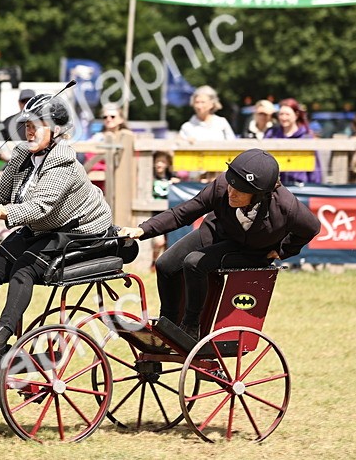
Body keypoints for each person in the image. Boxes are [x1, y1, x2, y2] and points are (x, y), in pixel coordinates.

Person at [0, 93, 116, 357]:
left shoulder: (64, 163)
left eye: (35, 126)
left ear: (55, 130)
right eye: (27, 126)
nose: (29, 132)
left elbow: (37, 208)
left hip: (80, 230)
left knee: (24, 268)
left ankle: (1, 334)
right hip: (45, 227)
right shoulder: (22, 155)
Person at [119, 149, 320, 348]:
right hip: (217, 233)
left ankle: (190, 328)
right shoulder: (221, 186)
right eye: (231, 185)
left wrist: (283, 250)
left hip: (251, 251)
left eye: (239, 190)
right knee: (165, 264)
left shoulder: (287, 207)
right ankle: (168, 325)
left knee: (194, 263)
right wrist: (142, 230)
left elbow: (312, 228)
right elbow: (182, 213)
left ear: (260, 195)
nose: (230, 192)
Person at [263, 97, 322, 184]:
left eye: (287, 114)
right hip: (275, 186)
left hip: (300, 185)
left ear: (296, 115)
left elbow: (315, 168)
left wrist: (315, 187)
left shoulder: (306, 137)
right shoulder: (271, 134)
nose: (283, 117)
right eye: (281, 114)